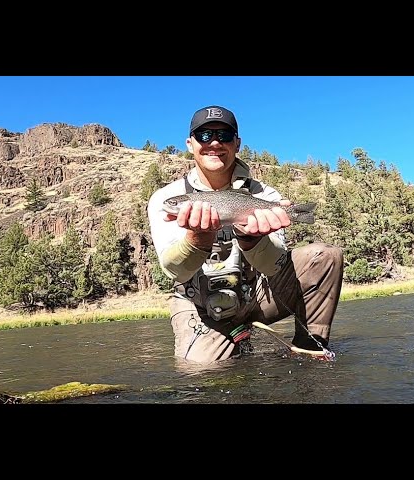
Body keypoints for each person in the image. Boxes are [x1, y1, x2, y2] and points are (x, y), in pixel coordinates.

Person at [147, 105, 344, 364]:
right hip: (201, 306)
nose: (214, 142)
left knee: (326, 256)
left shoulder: (264, 195)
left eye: (224, 135)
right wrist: (198, 239)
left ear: (237, 143)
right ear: (190, 143)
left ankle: (309, 349)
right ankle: (227, 338)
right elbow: (175, 271)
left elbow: (273, 265)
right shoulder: (163, 198)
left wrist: (253, 239)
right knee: (201, 373)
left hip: (259, 293)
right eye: (204, 136)